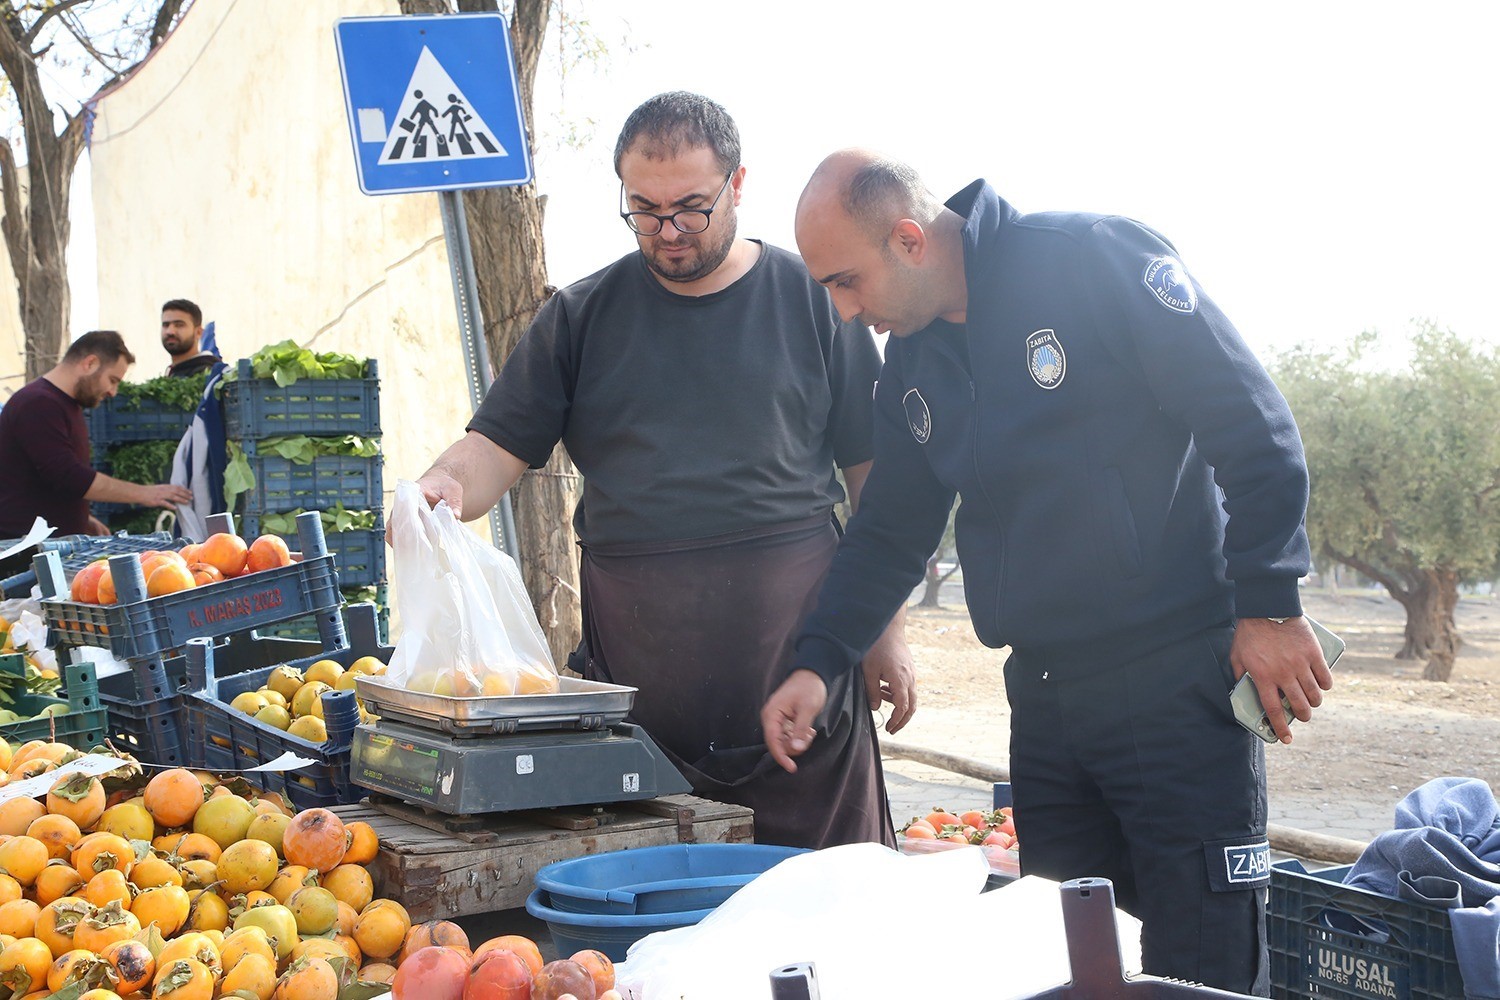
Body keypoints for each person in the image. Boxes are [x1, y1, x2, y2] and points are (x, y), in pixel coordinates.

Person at [761, 150, 1335, 994]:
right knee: (1066, 964)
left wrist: (1271, 605)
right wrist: (819, 659)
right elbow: (888, 534)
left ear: (911, 240)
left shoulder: (1096, 261)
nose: (846, 315)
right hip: (1047, 705)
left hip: (1175, 687)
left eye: (846, 283)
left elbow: (1253, 427)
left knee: (1199, 969)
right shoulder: (913, 371)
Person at [408, 94, 911, 849]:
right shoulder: (580, 317)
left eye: (691, 208)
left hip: (804, 674)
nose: (668, 231)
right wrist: (439, 487)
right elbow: (491, 449)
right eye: (643, 209)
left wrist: (887, 632)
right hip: (645, 700)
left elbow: (880, 481)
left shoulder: (814, 299)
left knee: (825, 918)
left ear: (737, 185)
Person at [0, 330, 192, 537]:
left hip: (52, 545)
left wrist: (84, 518)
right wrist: (146, 493)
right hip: (24, 552)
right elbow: (68, 476)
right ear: (90, 363)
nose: (113, 392)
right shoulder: (38, 403)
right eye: (112, 379)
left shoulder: (63, 403)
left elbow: (45, 478)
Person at [160, 299, 219, 377]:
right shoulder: (172, 372)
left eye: (179, 325)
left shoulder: (208, 375)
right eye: (166, 325)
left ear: (198, 332)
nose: (170, 331)